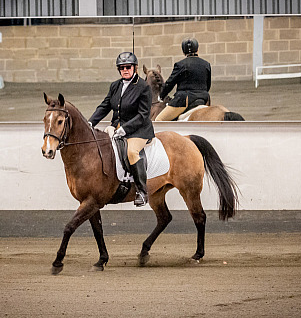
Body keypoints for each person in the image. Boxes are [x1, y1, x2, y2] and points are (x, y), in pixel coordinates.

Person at [88, 52, 155, 207]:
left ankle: (142, 191)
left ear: (135, 68)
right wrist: (90, 123)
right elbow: (105, 106)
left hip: (139, 130)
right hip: (117, 127)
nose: (125, 70)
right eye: (122, 67)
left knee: (131, 152)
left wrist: (125, 129)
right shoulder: (115, 85)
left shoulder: (143, 87)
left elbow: (143, 115)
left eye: (128, 67)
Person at [155, 37, 212, 121]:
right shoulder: (206, 64)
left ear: (183, 51)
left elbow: (170, 83)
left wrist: (161, 96)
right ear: (197, 49)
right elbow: (208, 85)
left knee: (159, 120)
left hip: (184, 100)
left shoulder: (180, 65)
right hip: (204, 99)